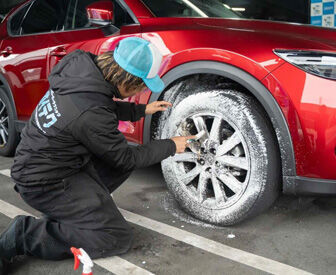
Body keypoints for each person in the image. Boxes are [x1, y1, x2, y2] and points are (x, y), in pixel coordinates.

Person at [0, 37, 195, 273]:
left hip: (50, 165)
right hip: (44, 182)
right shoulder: (91, 111)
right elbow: (124, 155)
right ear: (127, 82)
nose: (143, 89)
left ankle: (78, 214)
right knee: (114, 236)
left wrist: (140, 110)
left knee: (117, 163)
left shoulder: (82, 68)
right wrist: (171, 146)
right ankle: (24, 235)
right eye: (142, 85)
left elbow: (98, 104)